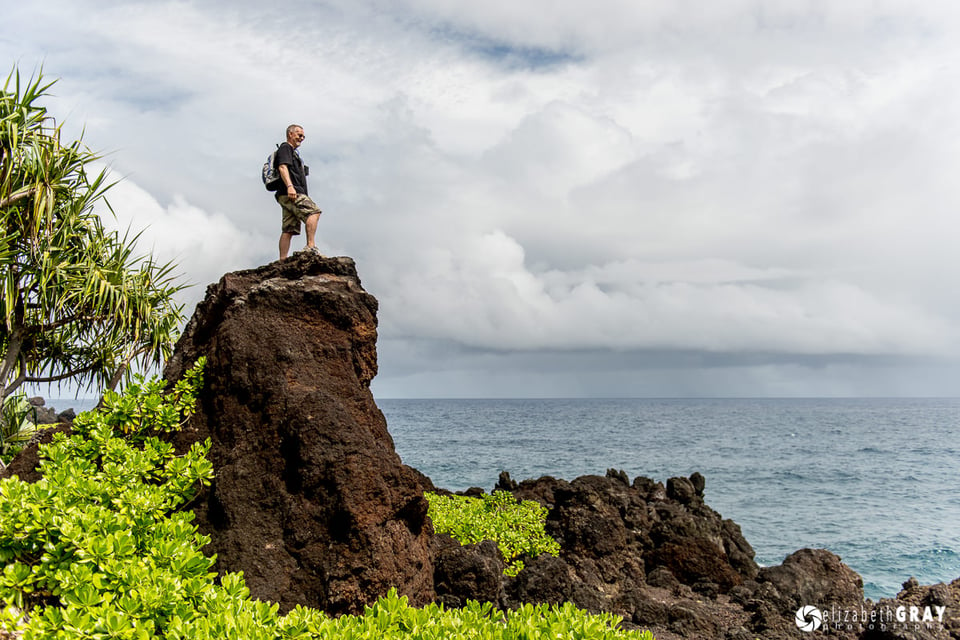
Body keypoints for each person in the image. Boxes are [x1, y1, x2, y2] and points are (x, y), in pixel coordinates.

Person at [274, 124, 323, 259]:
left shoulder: (292, 152)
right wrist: (290, 186)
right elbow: (282, 167)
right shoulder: (286, 148)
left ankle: (282, 260)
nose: (301, 138)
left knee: (289, 229)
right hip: (292, 191)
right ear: (290, 134)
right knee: (314, 212)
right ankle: (311, 246)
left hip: (285, 194)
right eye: (299, 135)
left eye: (303, 136)